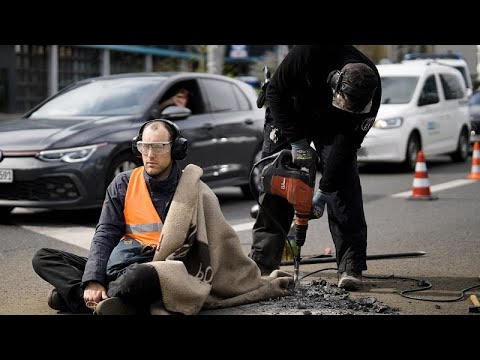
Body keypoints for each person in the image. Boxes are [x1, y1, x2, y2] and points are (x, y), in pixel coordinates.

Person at [32, 119, 291, 315]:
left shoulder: (195, 190)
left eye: (158, 147)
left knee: (138, 278)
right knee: (43, 257)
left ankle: (79, 299)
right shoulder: (123, 183)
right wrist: (93, 279)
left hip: (160, 269)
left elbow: (218, 245)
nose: (150, 154)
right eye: (144, 146)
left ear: (176, 149)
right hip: (118, 265)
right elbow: (105, 234)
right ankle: (97, 298)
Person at [249, 45, 381, 291]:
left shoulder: (371, 90)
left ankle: (350, 265)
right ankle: (263, 262)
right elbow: (276, 92)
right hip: (291, 110)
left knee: (345, 186)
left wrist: (324, 192)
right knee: (278, 179)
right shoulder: (308, 52)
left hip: (335, 126)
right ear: (335, 81)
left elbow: (346, 147)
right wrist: (297, 142)